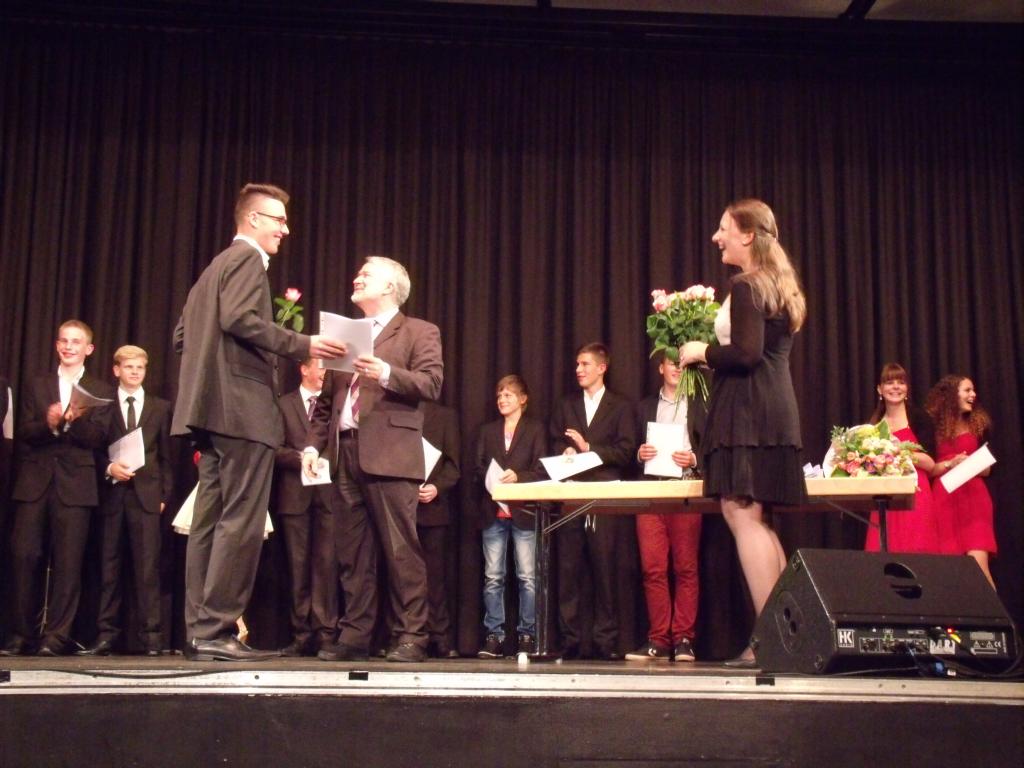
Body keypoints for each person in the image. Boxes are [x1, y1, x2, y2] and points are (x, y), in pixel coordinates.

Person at [172, 183, 345, 661]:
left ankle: (200, 631)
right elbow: (239, 319)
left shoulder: (211, 270)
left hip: (210, 414)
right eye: (279, 220)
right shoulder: (248, 260)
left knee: (210, 522)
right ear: (252, 220)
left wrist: (210, 379)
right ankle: (216, 628)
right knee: (241, 521)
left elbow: (182, 336)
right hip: (242, 413)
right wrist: (303, 344)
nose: (285, 229)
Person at [680, 199, 806, 668]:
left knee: (742, 516)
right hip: (772, 411)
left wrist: (702, 352)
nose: (717, 237)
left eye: (724, 228)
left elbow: (747, 353)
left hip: (749, 413)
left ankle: (771, 640)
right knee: (757, 521)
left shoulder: (749, 284)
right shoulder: (774, 284)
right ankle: (787, 635)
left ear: (748, 235)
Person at [303, 256, 443, 664]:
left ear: (390, 287)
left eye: (366, 275)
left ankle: (412, 635)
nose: (356, 278)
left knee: (401, 551)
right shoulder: (346, 335)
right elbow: (326, 405)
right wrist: (312, 447)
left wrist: (384, 372)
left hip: (391, 453)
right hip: (344, 452)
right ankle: (355, 635)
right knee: (352, 554)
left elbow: (431, 383)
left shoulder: (419, 331)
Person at [3, 320, 113, 656]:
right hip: (35, 482)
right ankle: (21, 633)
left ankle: (56, 637)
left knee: (68, 563)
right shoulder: (37, 384)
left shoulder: (100, 390)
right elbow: (24, 432)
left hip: (76, 485)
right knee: (24, 556)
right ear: (56, 345)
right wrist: (49, 424)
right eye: (64, 341)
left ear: (88, 349)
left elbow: (99, 438)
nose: (68, 347)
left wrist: (71, 421)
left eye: (76, 342)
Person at [78, 345, 173, 656]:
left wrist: (164, 495)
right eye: (129, 367)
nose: (134, 372)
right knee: (109, 567)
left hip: (147, 498)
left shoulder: (160, 408)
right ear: (116, 370)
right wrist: (109, 468)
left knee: (147, 569)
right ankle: (106, 635)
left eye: (139, 367)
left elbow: (167, 456)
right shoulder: (103, 406)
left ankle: (152, 637)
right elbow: (92, 450)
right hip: (112, 495)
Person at [550, 343, 635, 661]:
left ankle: (606, 640)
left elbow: (626, 451)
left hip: (604, 495)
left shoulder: (620, 406)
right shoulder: (566, 405)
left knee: (605, 569)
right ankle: (569, 639)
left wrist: (590, 449)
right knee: (568, 570)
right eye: (577, 364)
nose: (578, 370)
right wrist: (565, 451)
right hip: (571, 495)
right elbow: (553, 440)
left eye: (585, 364)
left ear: (602, 367)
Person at [625, 354, 705, 663]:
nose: (677, 369)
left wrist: (694, 458)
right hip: (651, 491)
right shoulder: (644, 406)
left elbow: (712, 445)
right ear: (661, 368)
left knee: (685, 567)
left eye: (682, 365)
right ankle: (658, 639)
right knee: (653, 568)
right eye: (672, 363)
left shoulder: (700, 404)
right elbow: (628, 449)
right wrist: (639, 454)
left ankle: (683, 638)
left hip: (685, 490)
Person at [272, 358, 342, 657]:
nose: (326, 373)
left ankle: (327, 633)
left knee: (326, 566)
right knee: (298, 567)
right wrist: (302, 458)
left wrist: (327, 459)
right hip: (294, 496)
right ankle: (301, 633)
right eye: (321, 366)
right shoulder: (282, 404)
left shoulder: (335, 404)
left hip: (329, 496)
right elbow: (273, 448)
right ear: (304, 369)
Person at [474, 375, 546, 659]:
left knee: (527, 577)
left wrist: (519, 476)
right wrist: (490, 478)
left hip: (523, 512)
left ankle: (527, 634)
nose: (502, 400)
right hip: (493, 513)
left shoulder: (535, 429)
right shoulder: (487, 430)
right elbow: (478, 466)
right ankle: (495, 635)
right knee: (493, 577)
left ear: (523, 399)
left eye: (508, 395)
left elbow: (541, 469)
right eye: (499, 395)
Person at [926, 374, 996, 586]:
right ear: (951, 395)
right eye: (967, 390)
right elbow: (928, 470)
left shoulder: (978, 424)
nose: (973, 394)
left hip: (974, 499)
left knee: (979, 568)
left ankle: (990, 609)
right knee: (951, 571)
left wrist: (972, 463)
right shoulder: (932, 427)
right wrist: (950, 463)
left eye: (973, 390)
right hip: (944, 499)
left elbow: (988, 470)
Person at [863, 363, 940, 554]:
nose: (896, 386)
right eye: (890, 382)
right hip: (884, 496)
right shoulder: (873, 424)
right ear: (880, 389)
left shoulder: (919, 418)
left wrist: (897, 451)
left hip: (915, 495)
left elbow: (930, 463)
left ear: (907, 388)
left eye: (901, 382)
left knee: (918, 554)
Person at [415, 401, 461, 658]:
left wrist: (437, 487)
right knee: (400, 575)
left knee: (435, 576)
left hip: (433, 507)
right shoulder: (393, 409)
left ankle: (439, 636)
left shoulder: (445, 415)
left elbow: (453, 465)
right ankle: (401, 634)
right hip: (399, 508)